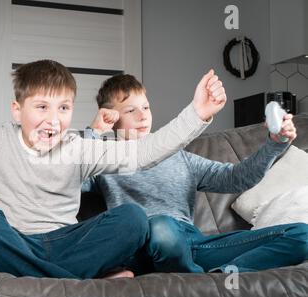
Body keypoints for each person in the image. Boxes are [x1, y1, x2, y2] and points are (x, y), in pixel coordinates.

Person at [0, 39, 226, 279]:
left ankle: (48, 275)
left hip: (68, 242)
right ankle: (84, 284)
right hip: (14, 241)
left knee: (133, 219)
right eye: (41, 107)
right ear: (17, 110)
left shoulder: (79, 147)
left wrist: (197, 113)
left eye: (63, 108)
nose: (54, 120)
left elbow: (145, 152)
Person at [83, 74, 308, 275]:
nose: (143, 116)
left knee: (301, 234)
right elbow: (72, 179)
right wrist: (94, 133)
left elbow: (238, 178)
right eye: (131, 110)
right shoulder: (104, 160)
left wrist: (273, 145)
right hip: (142, 248)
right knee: (161, 228)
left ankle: (219, 277)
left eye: (146, 107)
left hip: (192, 245)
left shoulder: (180, 157)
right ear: (111, 118)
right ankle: (195, 276)